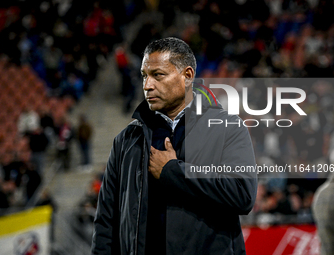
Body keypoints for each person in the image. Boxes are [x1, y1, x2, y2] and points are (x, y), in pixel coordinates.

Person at [91, 37, 257, 255]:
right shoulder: (126, 140)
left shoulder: (227, 128)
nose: (147, 85)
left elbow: (242, 195)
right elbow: (106, 222)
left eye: (158, 75)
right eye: (144, 76)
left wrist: (173, 171)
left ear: (187, 76)